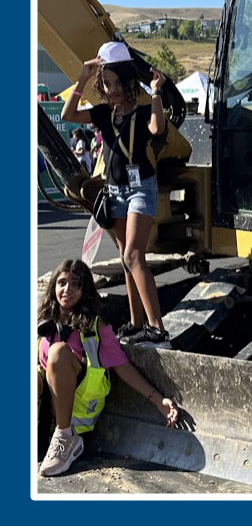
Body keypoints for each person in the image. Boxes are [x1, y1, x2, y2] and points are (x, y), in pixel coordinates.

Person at [61, 42, 169, 345]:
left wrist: (157, 91)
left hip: (141, 188)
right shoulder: (102, 114)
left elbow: (157, 128)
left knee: (134, 254)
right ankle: (136, 324)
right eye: (105, 84)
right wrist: (82, 78)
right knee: (126, 259)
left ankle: (157, 328)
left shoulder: (145, 110)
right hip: (115, 191)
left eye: (115, 83)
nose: (110, 90)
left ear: (129, 82)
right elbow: (69, 114)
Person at [36, 259, 179, 476]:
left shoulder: (96, 328)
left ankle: (66, 440)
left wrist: (159, 400)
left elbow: (122, 366)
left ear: (85, 291)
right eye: (62, 283)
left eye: (75, 284)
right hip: (46, 413)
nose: (67, 289)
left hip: (77, 416)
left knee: (57, 353)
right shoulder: (44, 324)